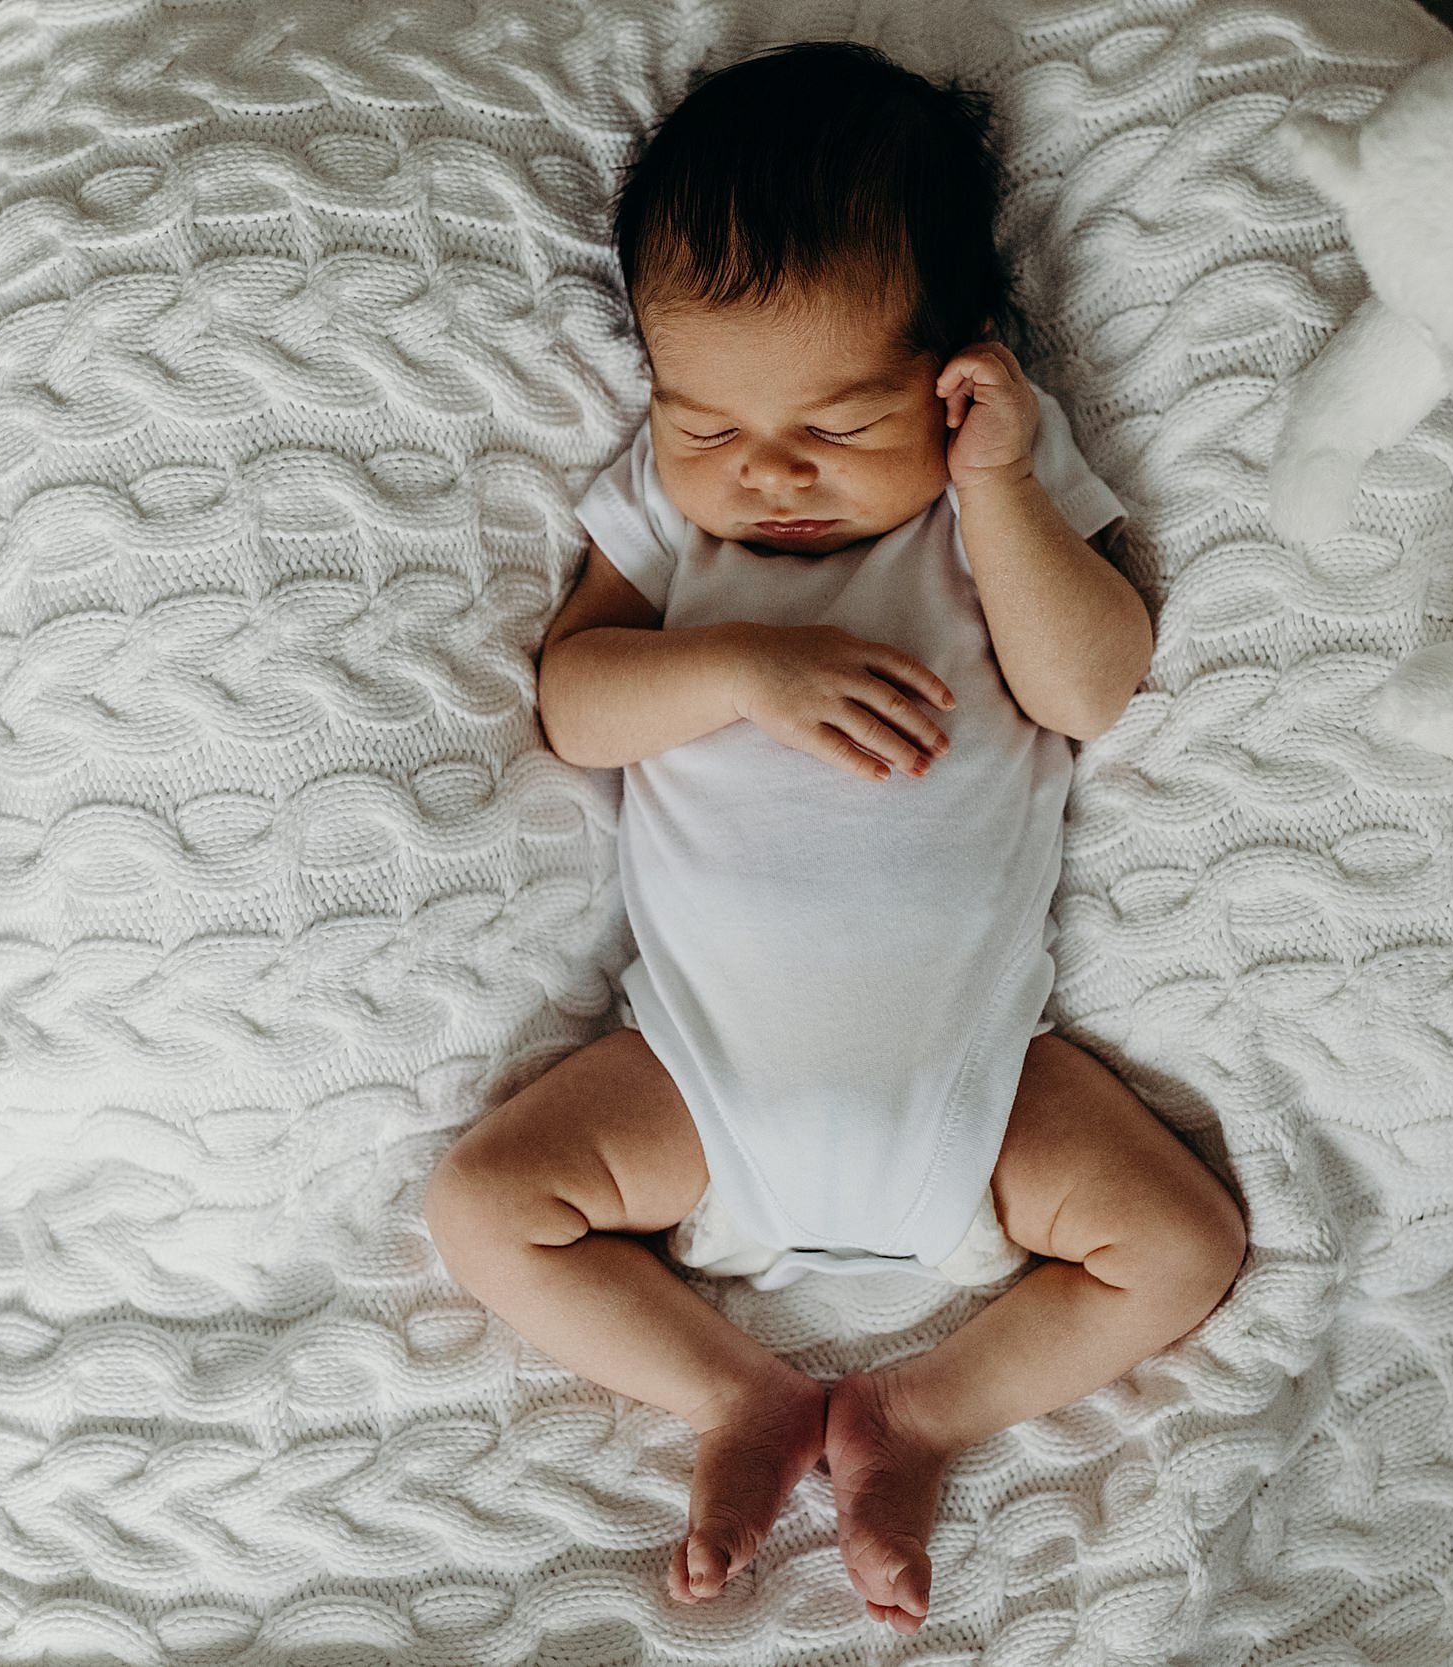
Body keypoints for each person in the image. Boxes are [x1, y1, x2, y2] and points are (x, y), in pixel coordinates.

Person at [422, 40, 1248, 1637]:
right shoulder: (676, 532)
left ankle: (917, 1416)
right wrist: (735, 664)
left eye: (843, 422)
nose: (769, 471)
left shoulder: (982, 502)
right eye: (705, 421)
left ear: (960, 378)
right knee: (482, 1209)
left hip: (982, 1081)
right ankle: (734, 1396)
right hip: (694, 1078)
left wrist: (1001, 484)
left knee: (1179, 1243)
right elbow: (575, 705)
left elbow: (1090, 685)